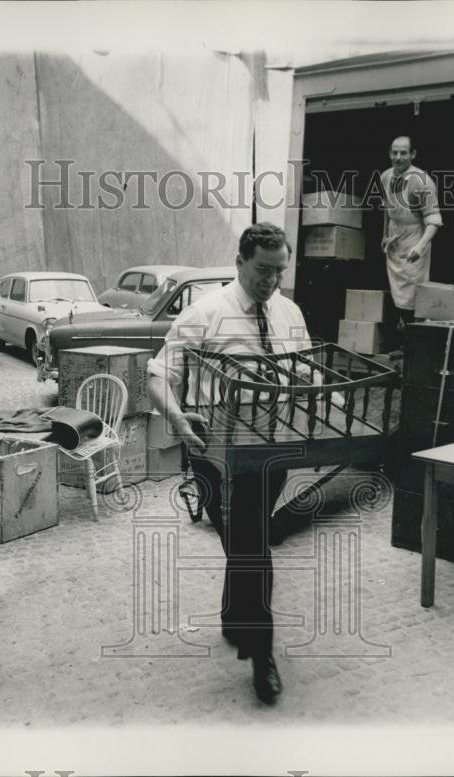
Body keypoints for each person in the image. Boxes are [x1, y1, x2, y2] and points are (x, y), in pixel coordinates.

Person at [147, 223, 311, 705]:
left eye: (280, 271)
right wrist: (176, 417)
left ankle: (247, 636)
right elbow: (158, 375)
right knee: (249, 546)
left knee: (249, 544)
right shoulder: (204, 314)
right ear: (240, 262)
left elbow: (302, 367)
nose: (271, 281)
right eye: (263, 270)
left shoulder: (289, 313)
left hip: (270, 451)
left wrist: (300, 381)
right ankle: (253, 641)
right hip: (213, 454)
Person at [380, 135, 444, 323]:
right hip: (394, 239)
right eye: (394, 152)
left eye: (403, 153)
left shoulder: (422, 181)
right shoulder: (385, 176)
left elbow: (433, 220)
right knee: (396, 291)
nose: (398, 157)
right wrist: (384, 234)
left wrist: (421, 245)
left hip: (414, 238)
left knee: (413, 292)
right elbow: (387, 208)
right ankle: (400, 340)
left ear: (412, 154)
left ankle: (412, 342)